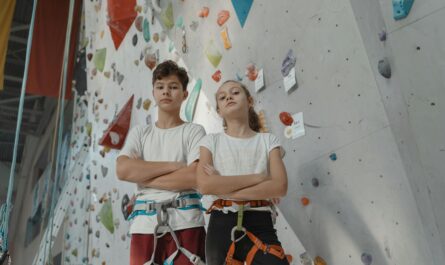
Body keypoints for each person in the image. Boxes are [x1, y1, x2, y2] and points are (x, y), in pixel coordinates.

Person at [116, 60, 206, 265]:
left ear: (184, 94)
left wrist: (143, 177)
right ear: (153, 93)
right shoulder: (140, 133)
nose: (166, 92)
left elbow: (195, 176)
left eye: (173, 87)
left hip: (187, 222)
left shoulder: (193, 131)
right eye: (160, 87)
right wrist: (174, 166)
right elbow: (122, 169)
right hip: (143, 225)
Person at [197, 80, 291, 265]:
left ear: (249, 101)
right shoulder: (210, 141)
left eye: (235, 93)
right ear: (219, 111)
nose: (229, 97)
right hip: (220, 227)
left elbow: (279, 187)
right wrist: (260, 178)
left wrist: (222, 185)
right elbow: (205, 185)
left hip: (260, 222)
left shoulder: (268, 140)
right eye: (222, 97)